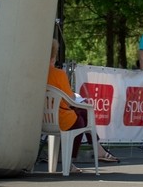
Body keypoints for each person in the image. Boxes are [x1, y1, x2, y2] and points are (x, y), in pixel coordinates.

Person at [47, 39, 119, 173]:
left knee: (82, 113)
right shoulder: (58, 74)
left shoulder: (36, 74)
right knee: (81, 118)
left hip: (44, 120)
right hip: (61, 119)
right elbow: (70, 99)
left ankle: (98, 150)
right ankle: (72, 161)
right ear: (53, 57)